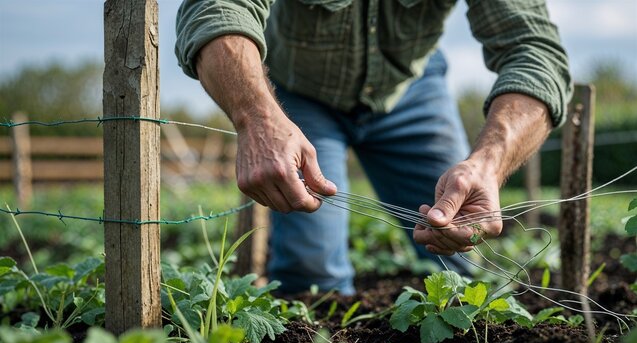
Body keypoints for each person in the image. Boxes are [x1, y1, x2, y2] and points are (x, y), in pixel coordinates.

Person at [175, 0, 572, 295]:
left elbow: (535, 50)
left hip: (410, 90)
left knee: (457, 247)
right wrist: (256, 117)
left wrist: (490, 163)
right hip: (296, 97)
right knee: (313, 276)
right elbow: (216, 7)